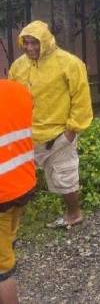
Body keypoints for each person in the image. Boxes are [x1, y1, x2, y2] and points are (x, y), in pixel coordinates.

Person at [8, 21, 92, 228]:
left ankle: (74, 214)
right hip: (27, 133)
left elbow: (81, 98)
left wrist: (72, 130)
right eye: (26, 43)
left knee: (65, 175)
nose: (30, 48)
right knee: (17, 176)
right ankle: (15, 219)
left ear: (45, 41)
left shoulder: (69, 63)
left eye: (34, 43)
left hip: (58, 133)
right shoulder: (19, 65)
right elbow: (12, 96)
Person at [0, 80, 36, 304]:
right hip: (22, 183)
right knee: (8, 244)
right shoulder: (18, 90)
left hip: (2, 192)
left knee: (2, 268)